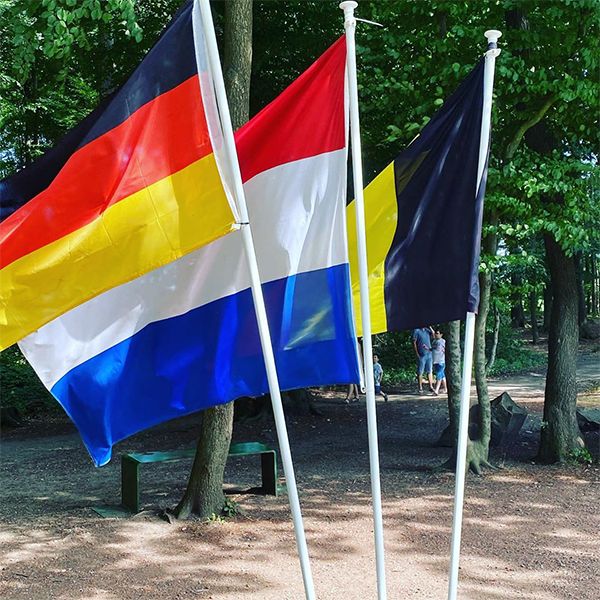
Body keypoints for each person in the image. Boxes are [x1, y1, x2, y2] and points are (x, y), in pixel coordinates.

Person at [412, 326, 435, 394]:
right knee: (420, 371)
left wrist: (430, 327)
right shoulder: (416, 330)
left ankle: (431, 386)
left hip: (429, 354)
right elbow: (414, 342)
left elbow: (433, 335)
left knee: (430, 371)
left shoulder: (427, 330)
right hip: (421, 354)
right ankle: (420, 388)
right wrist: (417, 353)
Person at [432, 328, 447, 395]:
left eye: (437, 333)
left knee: (439, 375)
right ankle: (445, 389)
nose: (436, 334)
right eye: (435, 333)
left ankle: (436, 390)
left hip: (441, 361)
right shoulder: (434, 341)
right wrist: (427, 348)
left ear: (441, 334)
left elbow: (446, 349)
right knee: (442, 375)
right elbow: (432, 349)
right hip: (435, 361)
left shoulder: (443, 341)